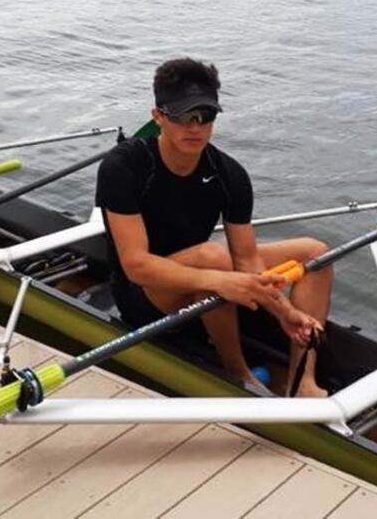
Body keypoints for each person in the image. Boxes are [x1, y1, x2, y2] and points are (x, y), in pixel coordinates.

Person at [95, 58, 333, 397]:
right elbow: (136, 265)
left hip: (203, 271)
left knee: (315, 253)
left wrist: (285, 312)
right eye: (182, 116)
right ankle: (238, 374)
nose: (195, 127)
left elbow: (247, 260)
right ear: (158, 116)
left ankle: (304, 382)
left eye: (205, 117)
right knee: (213, 256)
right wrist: (223, 281)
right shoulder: (123, 166)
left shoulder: (229, 173)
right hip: (142, 293)